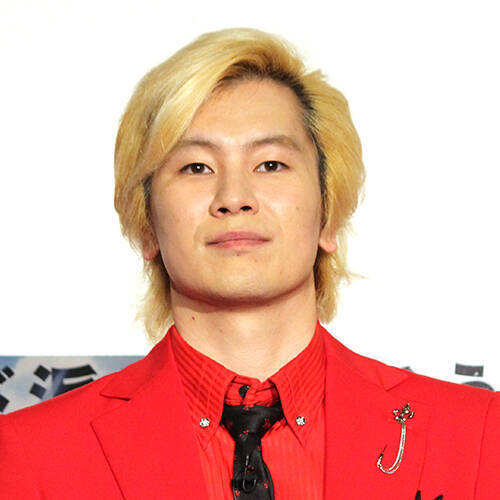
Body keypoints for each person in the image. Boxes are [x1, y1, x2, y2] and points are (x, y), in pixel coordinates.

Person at [0, 28, 498, 499]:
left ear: (328, 212)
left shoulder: (478, 435)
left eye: (270, 164)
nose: (234, 197)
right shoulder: (27, 453)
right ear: (146, 223)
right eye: (196, 167)